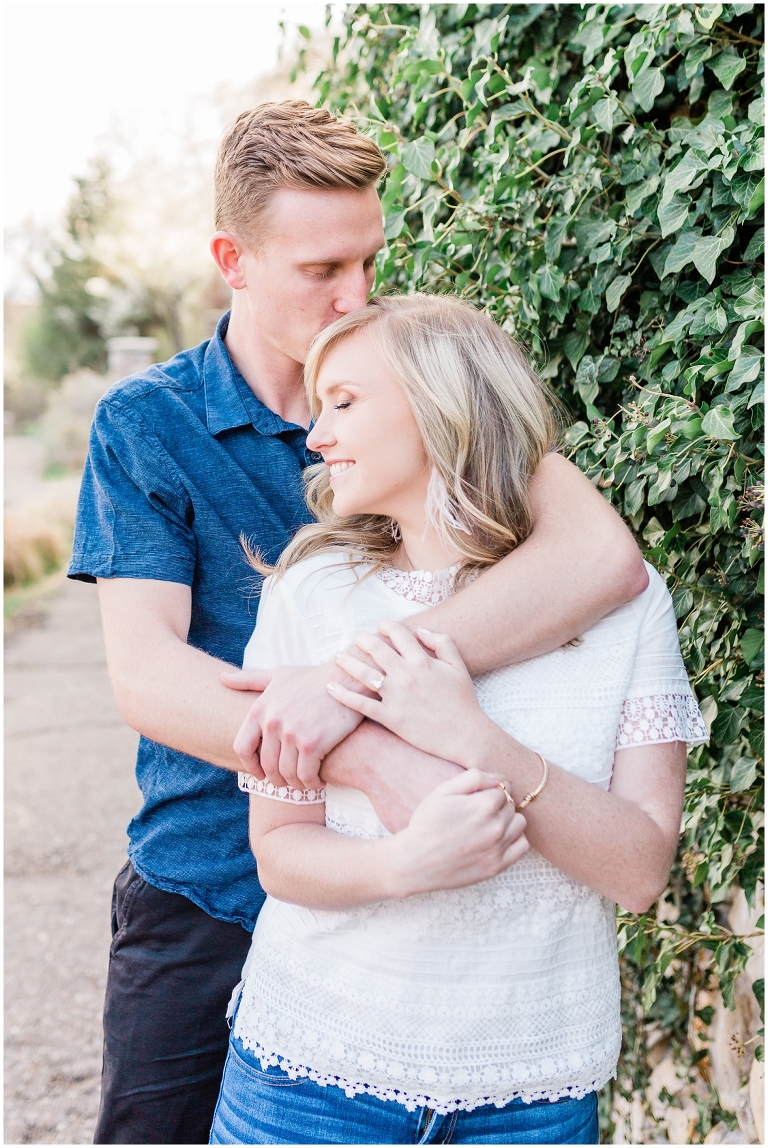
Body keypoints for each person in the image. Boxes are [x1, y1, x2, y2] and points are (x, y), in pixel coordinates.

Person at [70, 102, 647, 1144]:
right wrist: (373, 751)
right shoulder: (148, 423)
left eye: (370, 258)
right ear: (230, 260)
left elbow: (602, 558)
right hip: (207, 885)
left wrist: (346, 687)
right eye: (322, 270)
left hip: (425, 948)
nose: (359, 292)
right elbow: (148, 677)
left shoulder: (428, 381)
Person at [209, 295, 708, 1146]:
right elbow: (279, 849)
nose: (317, 436)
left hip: (532, 1095)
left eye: (346, 401)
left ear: (442, 401)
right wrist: (402, 865)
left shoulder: (627, 607)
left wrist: (476, 741)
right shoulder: (314, 594)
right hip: (308, 1081)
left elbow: (638, 871)